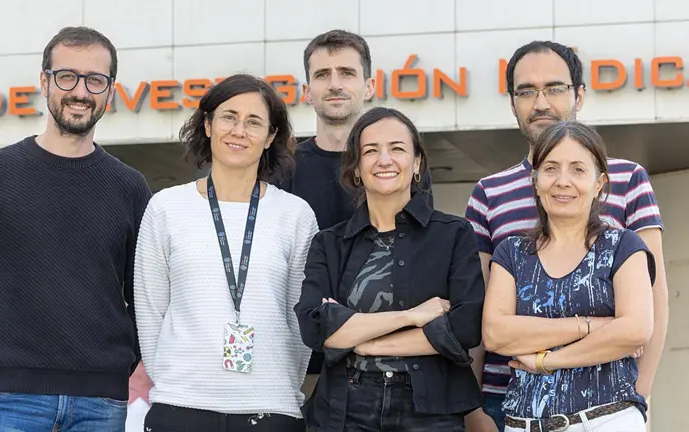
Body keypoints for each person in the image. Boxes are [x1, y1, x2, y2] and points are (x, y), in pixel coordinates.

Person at [0, 26, 151, 432]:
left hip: (100, 404)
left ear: (110, 90)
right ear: (44, 81)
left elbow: (146, 296)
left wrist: (117, 364)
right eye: (67, 76)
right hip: (8, 403)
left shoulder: (129, 187)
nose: (81, 92)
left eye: (95, 80)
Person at [464, 40, 667, 432]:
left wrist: (641, 391)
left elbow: (652, 303)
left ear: (579, 95)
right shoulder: (488, 192)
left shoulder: (629, 178)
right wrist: (474, 408)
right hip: (505, 399)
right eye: (526, 91)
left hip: (606, 400)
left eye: (554, 88)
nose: (541, 102)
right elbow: (482, 315)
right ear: (512, 102)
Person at [133, 73, 319, 432]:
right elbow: (151, 310)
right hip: (181, 405)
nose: (239, 130)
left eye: (254, 122)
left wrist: (275, 383)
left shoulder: (295, 215)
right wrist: (176, 381)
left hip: (270, 407)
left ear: (270, 137)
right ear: (207, 124)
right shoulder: (166, 208)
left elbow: (300, 319)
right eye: (229, 117)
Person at [295, 107, 484, 432]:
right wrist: (414, 317)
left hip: (429, 412)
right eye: (371, 150)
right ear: (356, 167)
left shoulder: (454, 234)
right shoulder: (329, 243)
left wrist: (364, 340)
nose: (384, 159)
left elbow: (465, 327)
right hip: (342, 412)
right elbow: (315, 329)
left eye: (397, 148)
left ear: (417, 164)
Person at [278, 28, 433, 399]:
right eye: (322, 75)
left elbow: (419, 254)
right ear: (306, 90)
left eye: (346, 73)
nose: (335, 84)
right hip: (304, 365)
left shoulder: (401, 168)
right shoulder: (283, 170)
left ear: (368, 86)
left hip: (391, 361)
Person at [482, 120, 655, 431]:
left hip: (607, 420)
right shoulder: (511, 253)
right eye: (550, 169)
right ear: (534, 180)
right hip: (524, 424)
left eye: (578, 169)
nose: (563, 181)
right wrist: (591, 326)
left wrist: (544, 361)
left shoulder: (623, 246)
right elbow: (496, 333)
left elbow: (635, 331)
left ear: (600, 182)